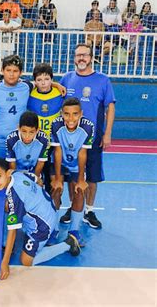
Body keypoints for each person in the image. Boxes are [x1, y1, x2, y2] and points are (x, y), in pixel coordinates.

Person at [0, 158, 80, 280]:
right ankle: (53, 230)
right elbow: (39, 181)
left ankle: (68, 244)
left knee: (26, 260)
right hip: (50, 209)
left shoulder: (14, 196)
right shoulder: (17, 173)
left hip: (42, 227)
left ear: (8, 172)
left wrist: (5, 262)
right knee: (8, 207)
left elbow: (13, 232)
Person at [59, 44, 116, 230]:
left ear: (91, 57)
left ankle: (89, 210)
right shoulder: (67, 79)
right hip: (69, 138)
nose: (81, 58)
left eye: (84, 55)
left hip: (93, 138)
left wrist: (107, 134)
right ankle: (72, 206)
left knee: (91, 176)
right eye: (78, 55)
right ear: (74, 58)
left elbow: (110, 107)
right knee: (71, 174)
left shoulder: (103, 80)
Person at [50, 98, 94, 246]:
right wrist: (57, 178)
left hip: (76, 163)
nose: (71, 118)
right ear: (62, 114)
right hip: (59, 161)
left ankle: (74, 231)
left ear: (81, 114)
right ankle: (53, 230)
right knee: (55, 189)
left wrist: (81, 180)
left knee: (80, 191)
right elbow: (57, 151)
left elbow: (82, 154)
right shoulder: (56, 125)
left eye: (75, 114)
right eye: (67, 114)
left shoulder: (88, 127)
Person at [27, 63, 62, 193]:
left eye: (47, 79)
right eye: (39, 80)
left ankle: (52, 204)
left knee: (52, 177)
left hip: (53, 142)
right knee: (36, 175)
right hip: (37, 142)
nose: (43, 83)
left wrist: (56, 85)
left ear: (52, 80)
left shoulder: (60, 93)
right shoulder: (30, 94)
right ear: (35, 81)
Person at [6, 111, 48, 176]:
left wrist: (35, 179)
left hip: (35, 172)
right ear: (18, 128)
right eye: (24, 131)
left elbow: (41, 162)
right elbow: (12, 163)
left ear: (37, 130)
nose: (27, 136)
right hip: (17, 172)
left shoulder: (43, 139)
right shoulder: (11, 139)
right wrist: (17, 179)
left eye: (31, 132)